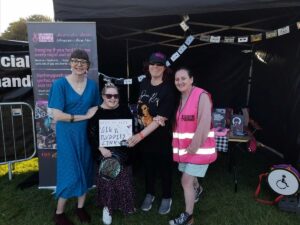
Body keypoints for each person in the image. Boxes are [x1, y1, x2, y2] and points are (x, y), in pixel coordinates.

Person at [48, 49, 100, 225]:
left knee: (85, 169)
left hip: (85, 135)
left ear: (88, 66)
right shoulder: (59, 84)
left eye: (83, 61)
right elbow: (57, 115)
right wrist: (85, 116)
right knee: (69, 173)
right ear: (70, 63)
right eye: (75, 61)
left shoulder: (92, 86)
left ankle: (80, 207)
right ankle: (59, 213)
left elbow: (95, 107)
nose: (79, 64)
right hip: (67, 135)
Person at [127, 52, 175, 215]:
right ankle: (149, 194)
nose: (155, 67)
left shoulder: (168, 89)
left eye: (159, 64)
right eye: (152, 64)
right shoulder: (144, 83)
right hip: (145, 137)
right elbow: (140, 107)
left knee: (165, 169)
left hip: (161, 138)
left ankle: (167, 196)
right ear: (148, 66)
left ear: (164, 68)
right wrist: (140, 123)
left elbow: (160, 120)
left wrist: (140, 135)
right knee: (148, 167)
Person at [169, 68, 217, 225]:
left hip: (198, 149)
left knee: (185, 181)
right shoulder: (181, 97)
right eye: (177, 79)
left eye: (183, 78)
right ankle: (198, 189)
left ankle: (188, 217)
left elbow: (204, 124)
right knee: (187, 175)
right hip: (185, 150)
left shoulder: (201, 96)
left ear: (191, 79)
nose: (180, 82)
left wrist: (192, 147)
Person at [88, 83, 135, 225]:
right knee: (108, 180)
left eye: (115, 96)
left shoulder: (124, 109)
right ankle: (107, 208)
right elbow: (90, 133)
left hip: (123, 151)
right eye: (109, 96)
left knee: (124, 180)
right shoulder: (97, 112)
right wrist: (100, 148)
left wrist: (131, 137)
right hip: (104, 152)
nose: (113, 98)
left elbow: (130, 127)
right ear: (103, 96)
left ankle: (123, 202)